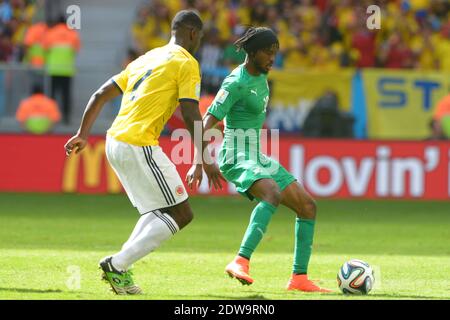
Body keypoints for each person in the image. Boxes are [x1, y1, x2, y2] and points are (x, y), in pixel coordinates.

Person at [64, 10, 224, 295]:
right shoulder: (186, 62)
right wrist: (206, 158)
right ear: (192, 33)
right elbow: (190, 113)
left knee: (158, 210)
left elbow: (100, 94)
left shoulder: (147, 57)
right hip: (139, 143)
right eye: (199, 36)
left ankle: (120, 270)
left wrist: (83, 134)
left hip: (114, 141)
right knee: (182, 213)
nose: (199, 41)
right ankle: (118, 262)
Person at [187, 27, 331, 293]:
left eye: (275, 53)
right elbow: (206, 122)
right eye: (268, 52)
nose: (272, 59)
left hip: (256, 156)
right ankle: (240, 261)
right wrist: (200, 162)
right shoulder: (235, 82)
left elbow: (235, 118)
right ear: (252, 52)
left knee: (308, 207)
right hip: (235, 155)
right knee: (272, 193)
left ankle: (299, 279)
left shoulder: (262, 78)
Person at [43, 15, 81, 124]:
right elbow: (76, 50)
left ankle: (52, 118)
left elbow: (45, 49)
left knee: (52, 96)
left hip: (53, 70)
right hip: (67, 70)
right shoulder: (72, 34)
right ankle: (66, 118)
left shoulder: (51, 33)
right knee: (66, 95)